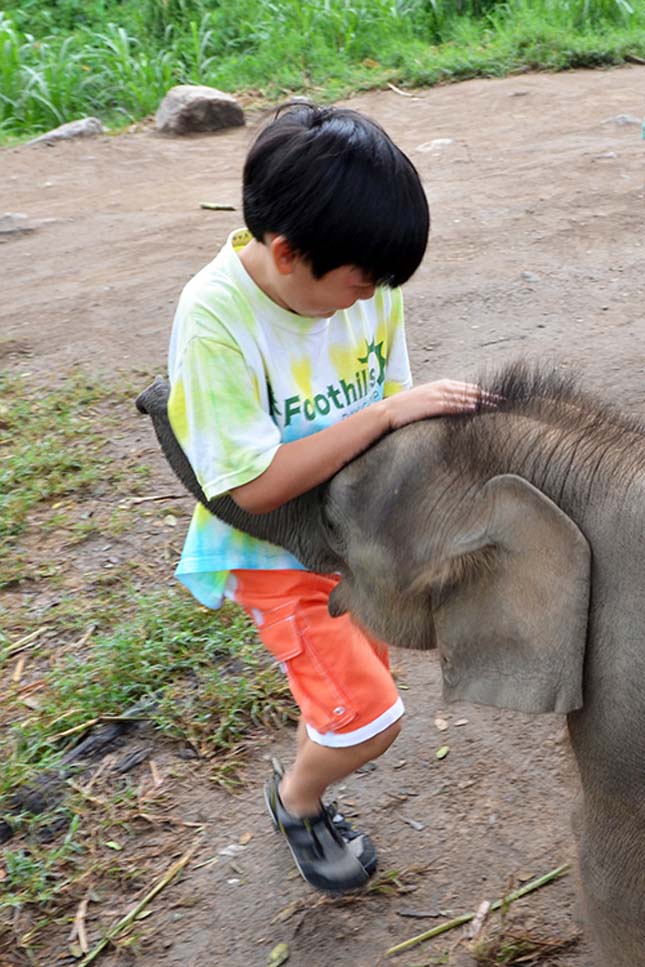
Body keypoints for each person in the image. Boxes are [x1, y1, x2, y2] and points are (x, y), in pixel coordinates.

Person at [167, 103, 482, 895]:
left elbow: (396, 403)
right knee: (370, 716)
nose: (374, 295)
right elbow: (255, 483)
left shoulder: (364, 288)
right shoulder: (214, 317)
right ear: (286, 252)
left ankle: (315, 755)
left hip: (348, 534)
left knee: (355, 686)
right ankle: (297, 798)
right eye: (360, 279)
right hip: (271, 545)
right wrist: (379, 416)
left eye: (385, 281)